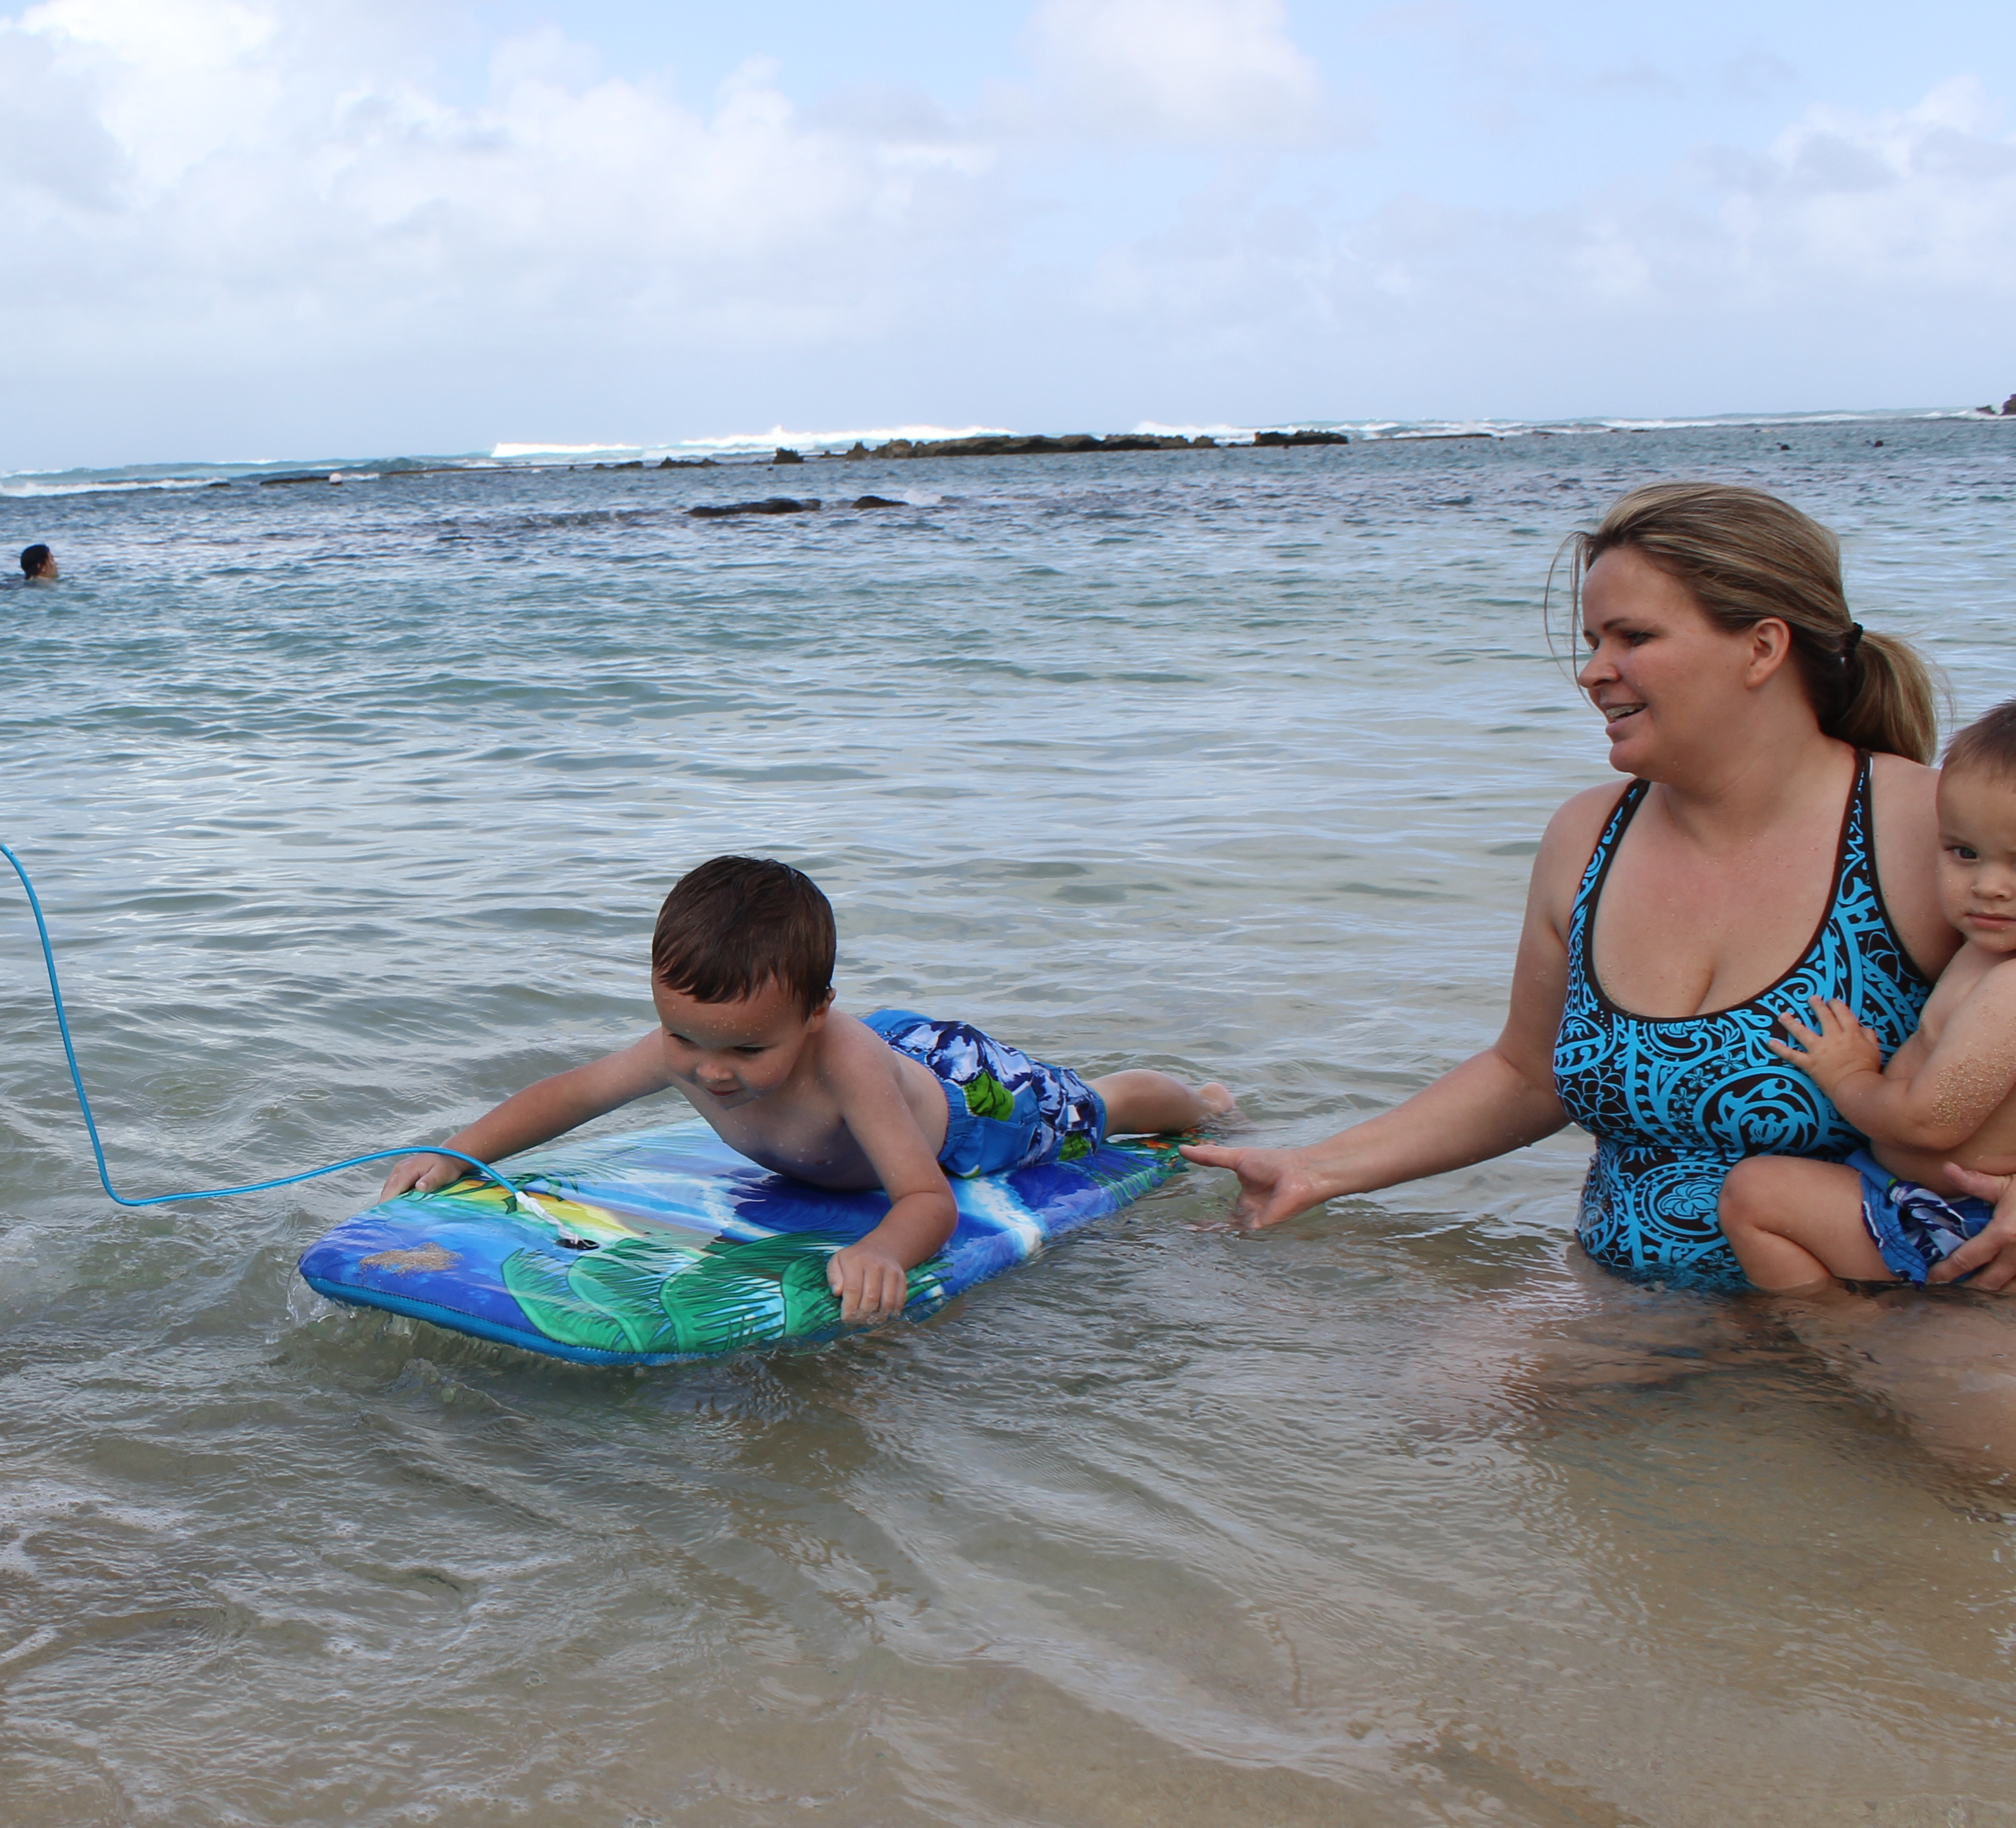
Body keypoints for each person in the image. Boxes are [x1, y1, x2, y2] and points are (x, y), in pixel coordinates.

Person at [1189, 481, 2002, 1292]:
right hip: (1622, 1309)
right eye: (1592, 640)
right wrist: (1317, 1168)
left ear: (1762, 647)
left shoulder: (1933, 834)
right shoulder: (1587, 838)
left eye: (1633, 636)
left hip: (1871, 1323)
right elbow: (1527, 1074)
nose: (1592, 672)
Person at [381, 856, 1231, 1323]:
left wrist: (884, 1251)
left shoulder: (843, 1061)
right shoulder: (690, 1047)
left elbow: (925, 1201)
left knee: (1089, 1110)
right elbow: (571, 1094)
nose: (710, 1070)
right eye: (686, 1037)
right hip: (883, 1053)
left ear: (817, 1014)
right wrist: (459, 1151)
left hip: (972, 1106)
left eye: (747, 1049)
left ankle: (1198, 1100)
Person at [1720, 698, 2016, 1288]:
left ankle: (1842, 1346)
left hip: (1959, 1227)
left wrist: (1849, 1076)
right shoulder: (1986, 954)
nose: (1988, 887)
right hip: (1929, 1205)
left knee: (1755, 1197)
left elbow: (1931, 1123)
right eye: (1965, 853)